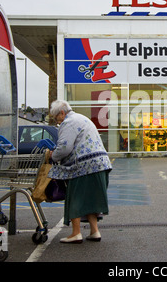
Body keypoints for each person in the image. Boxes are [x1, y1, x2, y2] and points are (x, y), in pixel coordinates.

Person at [47, 100, 112, 244]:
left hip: (84, 165)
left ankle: (76, 233)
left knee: (74, 197)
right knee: (90, 199)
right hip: (100, 163)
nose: (57, 121)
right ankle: (95, 231)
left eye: (56, 117)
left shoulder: (69, 122)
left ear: (62, 113)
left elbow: (64, 147)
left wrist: (52, 156)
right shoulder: (82, 118)